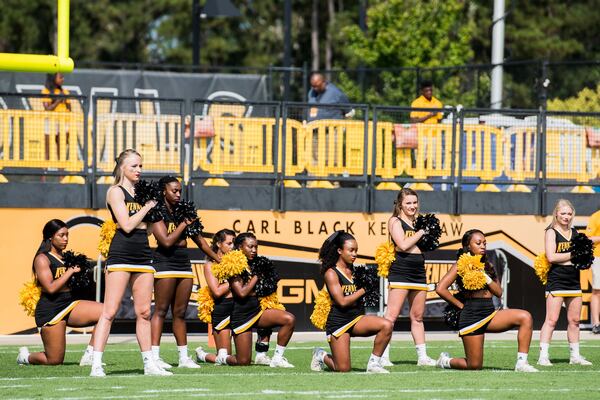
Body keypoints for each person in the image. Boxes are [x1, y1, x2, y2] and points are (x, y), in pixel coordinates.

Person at [89, 149, 170, 377]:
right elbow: (125, 225)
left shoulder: (144, 193)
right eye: (134, 166)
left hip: (143, 254)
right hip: (121, 254)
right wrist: (147, 207)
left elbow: (152, 231)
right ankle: (96, 364)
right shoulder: (115, 192)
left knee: (144, 312)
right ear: (122, 167)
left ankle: (149, 364)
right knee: (110, 311)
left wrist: (158, 213)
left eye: (141, 166)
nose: (138, 170)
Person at [435, 229, 538, 372]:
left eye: (484, 243)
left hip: (489, 314)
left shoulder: (487, 265)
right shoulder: (460, 265)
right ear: (468, 246)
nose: (483, 246)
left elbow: (498, 292)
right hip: (471, 316)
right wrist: (460, 306)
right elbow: (441, 288)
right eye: (478, 243)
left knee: (525, 317)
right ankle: (445, 361)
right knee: (474, 365)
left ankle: (522, 363)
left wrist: (486, 277)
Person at [150, 176, 217, 369]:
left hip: (183, 264)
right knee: (161, 311)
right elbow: (166, 241)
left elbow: (201, 242)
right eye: (174, 191)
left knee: (180, 313)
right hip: (164, 263)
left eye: (180, 191)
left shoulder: (184, 211)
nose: (178, 194)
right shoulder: (155, 211)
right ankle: (154, 357)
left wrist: (219, 259)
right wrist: (183, 224)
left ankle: (183, 357)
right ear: (164, 191)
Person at [17, 219, 103, 366]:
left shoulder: (67, 258)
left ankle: (90, 354)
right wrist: (70, 272)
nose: (65, 239)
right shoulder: (42, 259)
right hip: (51, 309)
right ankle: (25, 357)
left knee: (106, 311)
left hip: (69, 303)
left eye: (67, 235)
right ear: (50, 237)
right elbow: (50, 288)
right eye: (61, 235)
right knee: (54, 360)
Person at [310, 231, 393, 373]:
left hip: (356, 318)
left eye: (356, 250)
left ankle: (374, 364)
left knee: (387, 325)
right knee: (343, 368)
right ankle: (320, 355)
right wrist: (363, 290)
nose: (354, 254)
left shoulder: (356, 271)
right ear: (340, 251)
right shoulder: (331, 273)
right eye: (351, 250)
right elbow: (342, 302)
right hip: (339, 322)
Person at [221, 232, 296, 368]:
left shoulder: (258, 263)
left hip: (258, 311)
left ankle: (277, 358)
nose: (254, 250)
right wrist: (257, 276)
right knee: (243, 361)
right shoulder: (232, 264)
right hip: (242, 315)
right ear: (239, 247)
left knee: (289, 319)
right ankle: (222, 358)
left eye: (256, 247)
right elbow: (241, 293)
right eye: (250, 247)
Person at [379, 188, 436, 367]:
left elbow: (424, 245)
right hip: (401, 270)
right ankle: (382, 356)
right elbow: (403, 245)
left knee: (417, 316)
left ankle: (422, 357)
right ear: (400, 205)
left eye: (414, 202)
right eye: (408, 203)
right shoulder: (394, 221)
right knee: (392, 316)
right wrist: (421, 232)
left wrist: (430, 236)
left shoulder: (419, 221)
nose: (412, 206)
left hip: (418, 270)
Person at [537, 199, 592, 366]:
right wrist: (574, 254)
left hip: (574, 281)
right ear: (556, 214)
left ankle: (575, 356)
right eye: (563, 213)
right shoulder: (551, 232)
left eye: (569, 213)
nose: (566, 217)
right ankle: (543, 356)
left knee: (575, 321)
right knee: (551, 320)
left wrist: (579, 256)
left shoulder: (575, 232)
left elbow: (582, 258)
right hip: (557, 281)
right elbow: (551, 257)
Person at [195, 229, 236, 364]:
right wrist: (234, 280)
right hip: (222, 308)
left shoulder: (238, 262)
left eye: (234, 243)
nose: (232, 247)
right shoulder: (210, 265)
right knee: (224, 358)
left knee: (242, 358)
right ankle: (202, 355)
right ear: (219, 244)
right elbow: (217, 291)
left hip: (238, 308)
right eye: (229, 243)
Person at [41, 73, 71, 163]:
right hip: (51, 121)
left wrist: (64, 100)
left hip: (63, 122)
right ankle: (44, 175)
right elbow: (47, 108)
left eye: (63, 77)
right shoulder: (46, 91)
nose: (63, 79)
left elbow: (69, 108)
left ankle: (61, 176)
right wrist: (58, 101)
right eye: (60, 77)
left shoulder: (65, 92)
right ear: (53, 78)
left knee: (61, 151)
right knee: (47, 151)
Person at [585, 208, 600, 333]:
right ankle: (596, 324)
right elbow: (588, 239)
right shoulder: (596, 216)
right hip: (599, 257)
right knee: (597, 291)